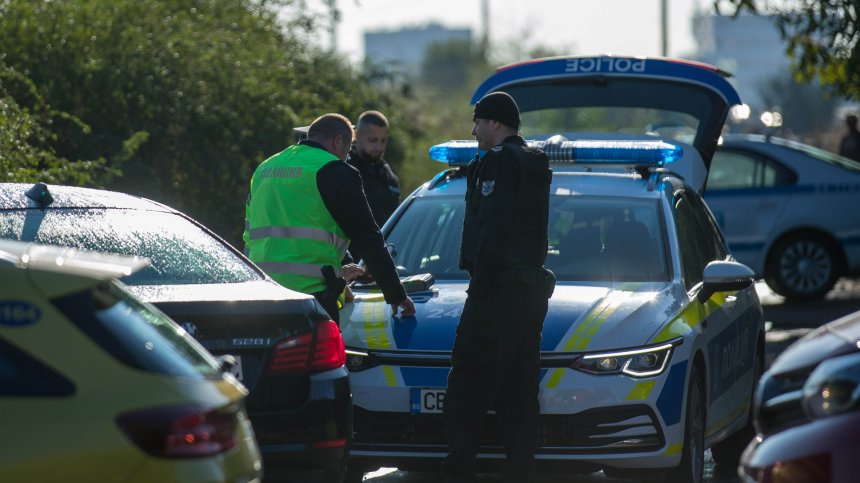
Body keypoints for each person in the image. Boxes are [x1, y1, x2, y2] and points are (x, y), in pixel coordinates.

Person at [442, 92, 554, 483]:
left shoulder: (499, 164)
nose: (474, 131)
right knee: (519, 392)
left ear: (495, 123)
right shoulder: (534, 161)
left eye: (478, 122)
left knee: (467, 387)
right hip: (528, 293)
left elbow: (493, 230)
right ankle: (521, 471)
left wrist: (481, 288)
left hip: (496, 294)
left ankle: (458, 471)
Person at [243, 113, 415, 324]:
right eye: (348, 147)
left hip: (262, 295)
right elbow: (367, 236)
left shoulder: (264, 169)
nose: (346, 155)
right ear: (338, 141)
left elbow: (250, 235)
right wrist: (396, 294)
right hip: (310, 300)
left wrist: (342, 272)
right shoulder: (334, 170)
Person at [346, 110, 401, 262]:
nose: (379, 146)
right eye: (373, 140)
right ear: (356, 136)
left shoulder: (387, 175)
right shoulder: (345, 172)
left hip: (387, 260)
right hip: (355, 263)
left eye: (383, 141)